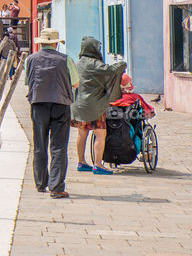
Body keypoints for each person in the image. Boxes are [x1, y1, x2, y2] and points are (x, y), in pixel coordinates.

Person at [24, 28, 79, 199]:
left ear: (40, 43)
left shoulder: (30, 59)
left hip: (38, 103)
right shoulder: (66, 60)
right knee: (58, 147)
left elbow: (28, 81)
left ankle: (41, 183)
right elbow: (76, 84)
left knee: (39, 144)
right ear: (56, 43)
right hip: (61, 104)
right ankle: (56, 187)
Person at [72, 36, 127, 175]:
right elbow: (111, 71)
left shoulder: (78, 64)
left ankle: (81, 162)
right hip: (95, 105)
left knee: (82, 133)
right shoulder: (95, 63)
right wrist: (122, 64)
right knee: (100, 134)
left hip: (79, 105)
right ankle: (98, 164)